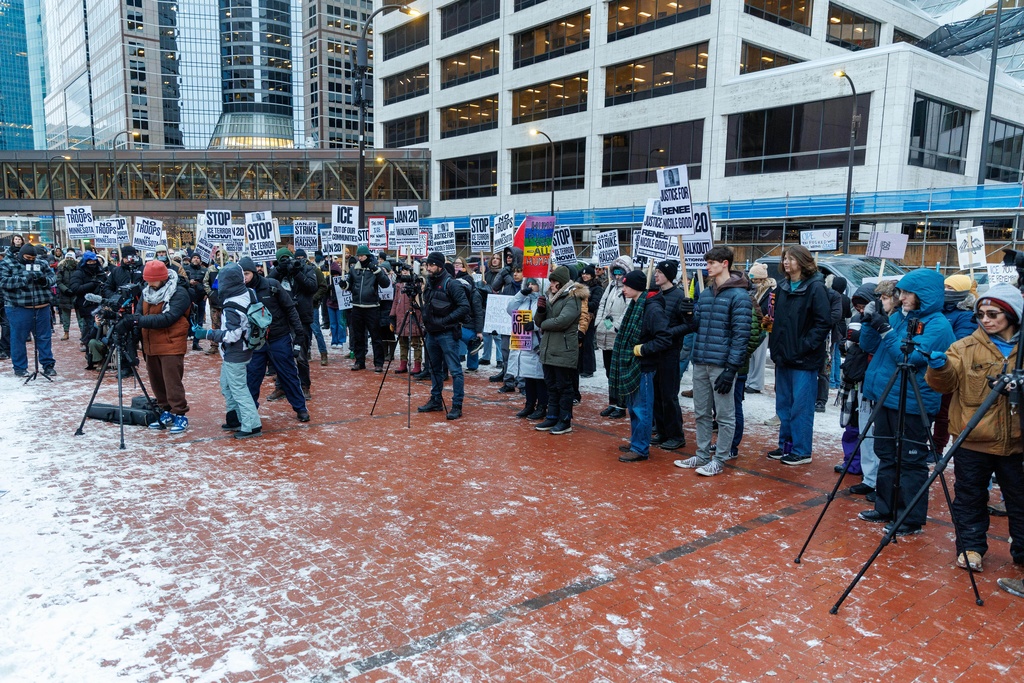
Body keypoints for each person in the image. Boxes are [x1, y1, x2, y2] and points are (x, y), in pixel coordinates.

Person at [923, 283, 1024, 572]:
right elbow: (944, 383)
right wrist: (939, 367)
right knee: (969, 497)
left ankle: (1021, 550)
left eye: (993, 314)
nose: (986, 320)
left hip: (1016, 442)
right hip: (972, 439)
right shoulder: (964, 347)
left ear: (1012, 314)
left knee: (1019, 500)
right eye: (980, 314)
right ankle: (970, 548)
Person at [858, 269, 954, 536]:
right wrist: (870, 321)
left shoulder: (938, 324)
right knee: (886, 453)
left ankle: (910, 518)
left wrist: (886, 331)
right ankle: (886, 506)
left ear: (926, 295)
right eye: (901, 292)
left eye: (909, 293)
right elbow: (869, 346)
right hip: (886, 396)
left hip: (914, 401)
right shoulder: (902, 317)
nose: (902, 298)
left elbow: (908, 358)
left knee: (910, 460)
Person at [673, 246, 752, 476]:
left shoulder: (740, 296)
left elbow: (741, 335)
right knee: (701, 412)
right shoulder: (707, 294)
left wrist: (731, 369)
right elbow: (697, 325)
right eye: (707, 263)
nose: (707, 267)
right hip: (701, 360)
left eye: (711, 263)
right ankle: (701, 454)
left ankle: (720, 458)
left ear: (725, 263)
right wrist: (688, 314)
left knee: (725, 415)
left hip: (721, 364)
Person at [767, 245, 832, 466]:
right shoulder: (783, 287)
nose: (786, 262)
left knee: (801, 406)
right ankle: (786, 444)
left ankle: (802, 449)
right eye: (785, 258)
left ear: (803, 261)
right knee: (783, 403)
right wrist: (776, 346)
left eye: (792, 258)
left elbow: (823, 322)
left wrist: (805, 345)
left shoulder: (816, 288)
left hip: (804, 358)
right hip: (783, 355)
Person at [114, 259, 192, 433]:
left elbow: (168, 318)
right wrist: (133, 322)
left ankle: (179, 413)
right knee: (157, 381)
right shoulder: (146, 292)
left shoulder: (178, 292)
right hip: (150, 344)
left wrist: (137, 320)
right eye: (147, 279)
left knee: (172, 381)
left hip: (171, 343)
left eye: (152, 279)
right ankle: (165, 410)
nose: (149, 283)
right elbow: (140, 313)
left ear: (163, 278)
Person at [193, 263, 263, 439]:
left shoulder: (232, 304)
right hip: (245, 348)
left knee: (239, 388)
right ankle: (234, 418)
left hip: (236, 351)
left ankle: (252, 425)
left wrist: (208, 333)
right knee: (227, 384)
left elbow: (232, 335)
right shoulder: (249, 292)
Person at [238, 257, 310, 423]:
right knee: (252, 377)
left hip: (279, 338)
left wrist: (298, 332)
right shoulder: (241, 292)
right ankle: (249, 412)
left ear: (254, 272)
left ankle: (300, 408)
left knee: (289, 375)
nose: (244, 277)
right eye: (241, 274)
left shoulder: (272, 285)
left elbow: (290, 308)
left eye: (247, 273)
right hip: (256, 342)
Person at [612, 270, 672, 462]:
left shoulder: (652, 308)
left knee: (642, 409)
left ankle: (640, 448)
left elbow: (664, 339)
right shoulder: (636, 305)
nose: (623, 289)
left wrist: (643, 349)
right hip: (632, 364)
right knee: (634, 408)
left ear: (637, 287)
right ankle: (636, 442)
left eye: (627, 286)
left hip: (644, 365)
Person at [417, 252, 470, 420]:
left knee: (455, 371)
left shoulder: (451, 284)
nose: (428, 268)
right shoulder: (430, 283)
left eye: (431, 265)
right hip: (432, 333)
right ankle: (435, 400)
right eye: (427, 265)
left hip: (447, 333)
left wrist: (445, 321)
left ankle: (457, 405)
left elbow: (464, 307)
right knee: (434, 369)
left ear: (439, 266)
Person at [534, 265, 587, 435]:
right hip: (549, 348)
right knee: (551, 385)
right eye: (550, 281)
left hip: (564, 349)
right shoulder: (551, 297)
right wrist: (541, 311)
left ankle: (565, 420)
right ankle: (552, 416)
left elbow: (563, 321)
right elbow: (538, 321)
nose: (550, 285)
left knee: (564, 386)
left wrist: (543, 324)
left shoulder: (572, 297)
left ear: (561, 283)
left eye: (554, 281)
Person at [932, 274, 980, 453]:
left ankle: (937, 447)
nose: (946, 291)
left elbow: (960, 343)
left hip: (950, 367)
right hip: (932, 366)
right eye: (945, 287)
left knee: (944, 412)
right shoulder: (938, 309)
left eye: (951, 288)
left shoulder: (966, 316)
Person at [649, 259, 690, 451]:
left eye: (659, 272)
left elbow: (689, 325)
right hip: (655, 351)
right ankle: (662, 431)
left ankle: (676, 435)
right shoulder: (656, 295)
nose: (656, 275)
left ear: (669, 275)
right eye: (655, 271)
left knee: (669, 395)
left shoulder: (680, 296)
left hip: (671, 352)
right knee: (656, 393)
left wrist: (668, 333)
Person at [0, 243, 57, 377]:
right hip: (18, 307)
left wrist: (44, 280)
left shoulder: (41, 263)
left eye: (33, 258)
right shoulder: (7, 263)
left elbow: (53, 277)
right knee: (18, 338)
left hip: (42, 306)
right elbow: (3, 281)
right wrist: (23, 279)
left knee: (44, 337)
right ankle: (20, 367)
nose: (31, 260)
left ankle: (48, 365)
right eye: (27, 257)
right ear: (21, 255)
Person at [269, 247, 319, 399]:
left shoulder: (306, 268)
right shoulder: (278, 273)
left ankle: (304, 386)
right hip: (282, 318)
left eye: (287, 259)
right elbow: (266, 284)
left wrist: (296, 272)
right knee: (281, 354)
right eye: (281, 259)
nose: (286, 262)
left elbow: (312, 287)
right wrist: (279, 270)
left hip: (301, 318)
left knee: (301, 355)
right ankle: (281, 387)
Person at [339, 244, 390, 371]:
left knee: (375, 336)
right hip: (357, 306)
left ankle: (378, 363)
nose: (360, 258)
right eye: (359, 256)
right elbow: (349, 286)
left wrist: (377, 271)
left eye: (362, 256)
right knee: (358, 335)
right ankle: (359, 361)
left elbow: (385, 284)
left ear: (367, 255)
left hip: (372, 306)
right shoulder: (353, 270)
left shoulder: (375, 268)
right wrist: (344, 285)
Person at [595, 256, 632, 419]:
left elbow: (627, 310)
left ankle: (621, 404)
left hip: (617, 335)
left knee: (619, 372)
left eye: (620, 272)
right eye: (615, 272)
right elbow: (602, 305)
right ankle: (612, 402)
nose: (617, 276)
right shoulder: (610, 286)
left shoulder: (628, 288)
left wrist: (616, 326)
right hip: (605, 333)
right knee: (609, 372)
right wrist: (598, 323)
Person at [506, 278, 546, 419]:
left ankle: (542, 406)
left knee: (539, 377)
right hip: (523, 343)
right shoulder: (523, 300)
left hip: (537, 343)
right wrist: (521, 294)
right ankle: (529, 405)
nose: (530, 286)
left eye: (533, 284)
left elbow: (546, 318)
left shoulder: (543, 300)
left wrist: (534, 325)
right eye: (528, 284)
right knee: (528, 376)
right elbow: (510, 309)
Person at [745, 262, 775, 393]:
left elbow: (771, 311)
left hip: (763, 326)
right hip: (755, 325)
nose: (753, 282)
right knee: (752, 356)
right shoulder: (757, 291)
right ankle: (751, 380)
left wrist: (765, 330)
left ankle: (756, 383)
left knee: (759, 357)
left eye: (755, 279)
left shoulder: (770, 292)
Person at [69, 251, 108, 352]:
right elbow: (75, 288)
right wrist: (92, 284)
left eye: (93, 262)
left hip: (101, 304)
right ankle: (90, 350)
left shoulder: (100, 271)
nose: (92, 264)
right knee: (91, 328)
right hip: (86, 305)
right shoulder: (78, 273)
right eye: (89, 262)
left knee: (101, 327)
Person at [390, 262, 424, 374]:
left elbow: (420, 300)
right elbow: (395, 301)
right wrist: (392, 315)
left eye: (407, 270)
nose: (404, 272)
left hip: (414, 316)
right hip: (401, 317)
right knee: (402, 342)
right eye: (403, 270)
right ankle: (403, 363)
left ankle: (417, 364)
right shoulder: (398, 286)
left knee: (416, 343)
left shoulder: (416, 283)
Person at [578, 265, 604, 379]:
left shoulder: (597, 288)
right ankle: (579, 367)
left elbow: (595, 304)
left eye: (587, 274)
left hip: (590, 319)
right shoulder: (577, 286)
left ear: (592, 275)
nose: (585, 276)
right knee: (579, 343)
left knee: (588, 344)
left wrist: (581, 305)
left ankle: (589, 369)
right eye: (583, 274)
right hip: (578, 319)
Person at [480, 252, 504, 367]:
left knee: (497, 334)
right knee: (486, 333)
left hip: (499, 306)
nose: (495, 260)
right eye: (493, 258)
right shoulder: (487, 274)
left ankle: (500, 358)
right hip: (487, 305)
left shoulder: (504, 274)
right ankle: (486, 356)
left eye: (498, 258)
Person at [184, 254, 209, 351]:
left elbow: (207, 283)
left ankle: (196, 342)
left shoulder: (204, 271)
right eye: (194, 257)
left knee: (199, 321)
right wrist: (188, 282)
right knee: (186, 320)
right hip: (188, 298)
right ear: (191, 259)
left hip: (200, 298)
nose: (196, 259)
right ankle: (184, 341)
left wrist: (206, 294)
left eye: (198, 258)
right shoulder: (185, 269)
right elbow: (182, 281)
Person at [55, 252, 78, 341]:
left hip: (76, 293)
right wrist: (66, 290)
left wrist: (75, 289)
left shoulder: (78, 268)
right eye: (68, 258)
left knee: (80, 316)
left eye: (71, 258)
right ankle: (66, 332)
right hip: (64, 295)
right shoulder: (61, 268)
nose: (69, 260)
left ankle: (82, 332)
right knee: (65, 316)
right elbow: (59, 281)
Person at [202, 260, 223, 355]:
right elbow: (205, 282)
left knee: (227, 323)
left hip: (226, 301)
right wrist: (210, 293)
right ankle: (214, 345)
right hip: (214, 301)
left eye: (221, 254)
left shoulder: (230, 267)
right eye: (218, 254)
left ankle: (227, 345)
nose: (219, 257)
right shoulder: (211, 269)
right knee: (215, 324)